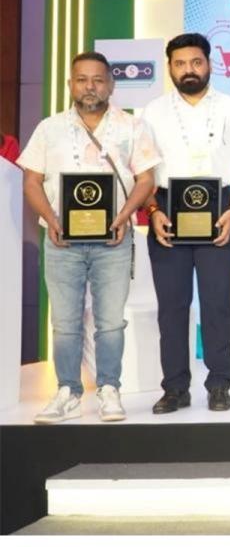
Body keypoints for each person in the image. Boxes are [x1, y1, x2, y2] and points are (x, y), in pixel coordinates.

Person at [19, 52, 159, 423]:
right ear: (71, 85)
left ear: (111, 84)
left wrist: (124, 217)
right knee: (65, 323)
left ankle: (109, 388)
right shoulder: (49, 128)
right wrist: (52, 220)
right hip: (61, 242)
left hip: (113, 242)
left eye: (98, 79)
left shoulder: (132, 127)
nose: (90, 87)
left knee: (110, 322)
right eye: (82, 80)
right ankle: (67, 391)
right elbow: (31, 181)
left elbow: (146, 180)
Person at [141, 33, 230, 413]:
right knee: (172, 306)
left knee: (216, 302)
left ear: (209, 64)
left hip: (219, 209)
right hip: (167, 210)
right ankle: (175, 388)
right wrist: (153, 212)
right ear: (170, 68)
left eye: (196, 62)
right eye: (180, 63)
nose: (188, 70)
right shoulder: (152, 111)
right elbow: (141, 171)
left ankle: (220, 383)